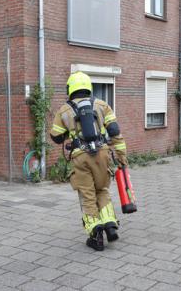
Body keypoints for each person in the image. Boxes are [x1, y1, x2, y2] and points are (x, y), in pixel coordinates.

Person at [50, 71, 128, 251]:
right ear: (88, 87)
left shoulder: (64, 110)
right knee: (102, 189)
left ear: (70, 88)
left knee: (87, 194)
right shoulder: (102, 105)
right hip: (102, 154)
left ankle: (96, 236)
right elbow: (115, 132)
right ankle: (109, 225)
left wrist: (69, 134)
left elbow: (55, 136)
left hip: (80, 157)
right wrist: (122, 159)